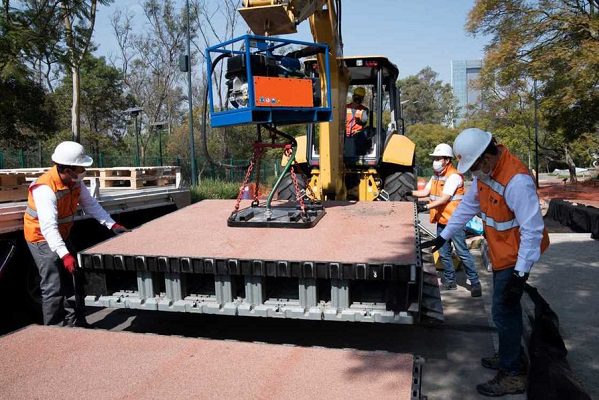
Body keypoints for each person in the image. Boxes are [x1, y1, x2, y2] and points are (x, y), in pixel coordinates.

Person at [421, 128, 550, 397]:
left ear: (486, 158)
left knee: (504, 312)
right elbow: (468, 206)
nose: (473, 173)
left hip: (515, 257)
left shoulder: (516, 181)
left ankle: (512, 372)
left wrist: (520, 274)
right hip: (502, 253)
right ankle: (508, 355)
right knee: (503, 311)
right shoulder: (487, 175)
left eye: (475, 167)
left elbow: (533, 230)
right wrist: (443, 236)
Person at [24, 141, 129, 327]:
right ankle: (54, 331)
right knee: (52, 286)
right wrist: (65, 255)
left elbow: (91, 205)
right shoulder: (45, 189)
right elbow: (48, 227)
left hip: (61, 236)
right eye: (80, 168)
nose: (82, 171)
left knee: (75, 279)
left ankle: (77, 324)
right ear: (67, 168)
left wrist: (112, 225)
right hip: (41, 238)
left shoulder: (75, 182)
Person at [412, 143, 481, 297]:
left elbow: (444, 199)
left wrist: (425, 207)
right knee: (443, 253)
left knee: (462, 252)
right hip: (442, 220)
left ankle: (475, 283)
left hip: (455, 222)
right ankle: (450, 282)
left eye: (438, 158)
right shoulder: (436, 176)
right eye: (434, 158)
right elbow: (425, 192)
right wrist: (408, 192)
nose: (435, 161)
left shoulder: (454, 176)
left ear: (447, 160)